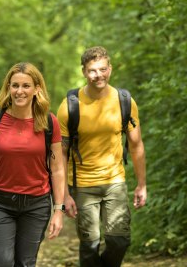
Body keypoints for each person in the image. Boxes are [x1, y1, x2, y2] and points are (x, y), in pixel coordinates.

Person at [0, 62, 66, 267]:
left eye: (26, 86)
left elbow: (57, 169)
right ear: (8, 88)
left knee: (25, 263)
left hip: (36, 205)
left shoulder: (49, 122)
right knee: (2, 262)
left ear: (37, 89)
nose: (19, 91)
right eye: (15, 86)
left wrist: (58, 210)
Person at [57, 46, 147, 267]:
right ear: (84, 72)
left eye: (103, 69)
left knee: (119, 241)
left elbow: (136, 146)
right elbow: (59, 154)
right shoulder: (70, 106)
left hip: (114, 181)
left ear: (110, 68)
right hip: (82, 184)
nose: (99, 75)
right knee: (90, 244)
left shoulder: (125, 101)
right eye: (92, 70)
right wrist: (64, 196)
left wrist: (141, 185)